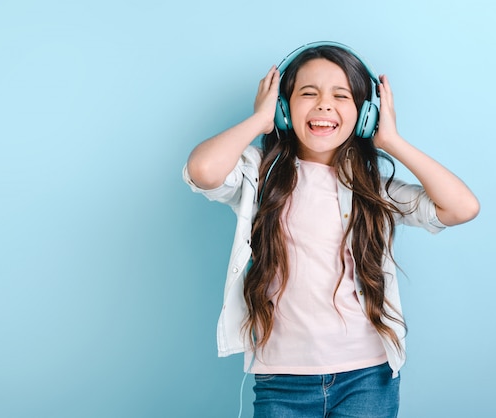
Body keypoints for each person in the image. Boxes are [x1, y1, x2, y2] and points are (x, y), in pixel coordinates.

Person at [182, 41, 479, 418]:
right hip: (281, 378)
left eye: (341, 95)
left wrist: (392, 141)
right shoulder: (260, 174)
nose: (324, 104)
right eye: (309, 93)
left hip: (366, 376)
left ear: (365, 115)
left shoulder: (375, 187)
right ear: (284, 109)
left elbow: (461, 207)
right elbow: (203, 171)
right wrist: (260, 119)